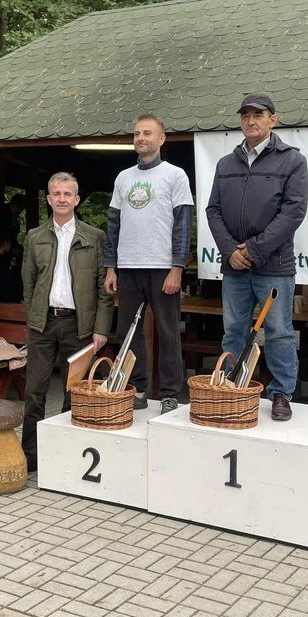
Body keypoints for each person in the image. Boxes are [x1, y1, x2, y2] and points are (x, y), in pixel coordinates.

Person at [205, 94, 308, 421]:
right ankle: (231, 387)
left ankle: (281, 394)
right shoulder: (225, 163)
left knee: (278, 330)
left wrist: (253, 249)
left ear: (272, 120)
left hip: (274, 266)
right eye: (246, 115)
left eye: (258, 115)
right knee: (233, 329)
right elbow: (213, 210)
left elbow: (293, 212)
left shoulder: (292, 161)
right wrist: (230, 251)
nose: (251, 120)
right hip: (234, 266)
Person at [22, 172, 113, 471]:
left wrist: (101, 328)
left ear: (76, 199)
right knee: (35, 391)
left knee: (73, 392)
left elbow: (104, 288)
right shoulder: (34, 237)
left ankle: (65, 454)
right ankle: (31, 457)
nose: (61, 199)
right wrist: (33, 315)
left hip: (79, 325)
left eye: (67, 194)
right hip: (44, 323)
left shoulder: (94, 237)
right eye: (56, 194)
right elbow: (29, 281)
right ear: (48, 199)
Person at [103, 114, 193, 414]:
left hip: (162, 266)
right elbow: (113, 224)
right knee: (128, 332)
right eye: (137, 133)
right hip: (128, 267)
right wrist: (111, 266)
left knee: (168, 331)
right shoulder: (123, 178)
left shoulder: (175, 175)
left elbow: (183, 224)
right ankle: (137, 387)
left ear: (161, 138)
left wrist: (177, 267)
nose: (141, 138)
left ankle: (169, 393)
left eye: (148, 133)